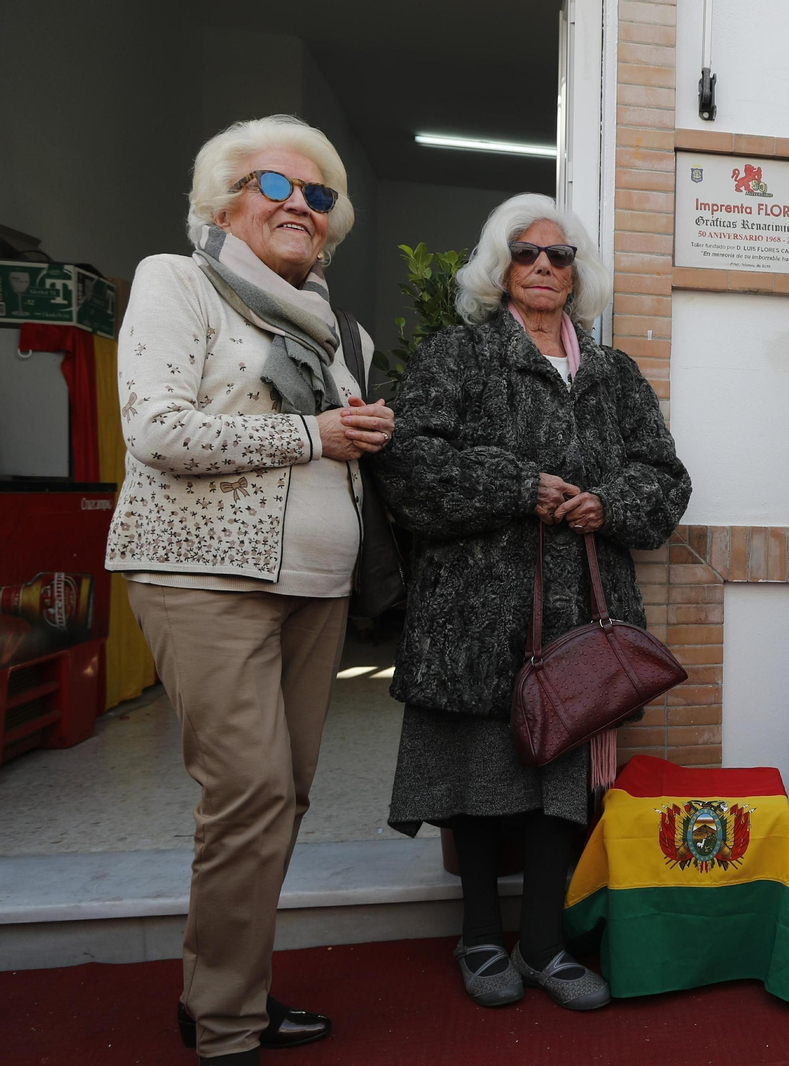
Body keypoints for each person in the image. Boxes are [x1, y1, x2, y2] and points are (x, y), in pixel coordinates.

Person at [108, 115, 393, 1066]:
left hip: (318, 587)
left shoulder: (339, 330)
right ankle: (228, 1028)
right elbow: (158, 431)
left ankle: (223, 994)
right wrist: (315, 435)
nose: (300, 205)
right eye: (277, 185)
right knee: (250, 792)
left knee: (283, 798)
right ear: (224, 200)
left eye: (318, 194)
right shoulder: (177, 280)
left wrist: (365, 432)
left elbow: (338, 449)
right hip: (202, 575)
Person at [375, 193, 691, 1009]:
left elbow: (665, 478)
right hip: (474, 614)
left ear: (577, 274)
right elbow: (408, 467)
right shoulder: (459, 354)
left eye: (559, 255)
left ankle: (544, 945)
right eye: (526, 253)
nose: (544, 266)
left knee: (562, 786)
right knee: (478, 781)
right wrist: (520, 485)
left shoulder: (614, 372)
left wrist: (607, 503)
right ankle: (481, 937)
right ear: (500, 267)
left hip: (580, 617)